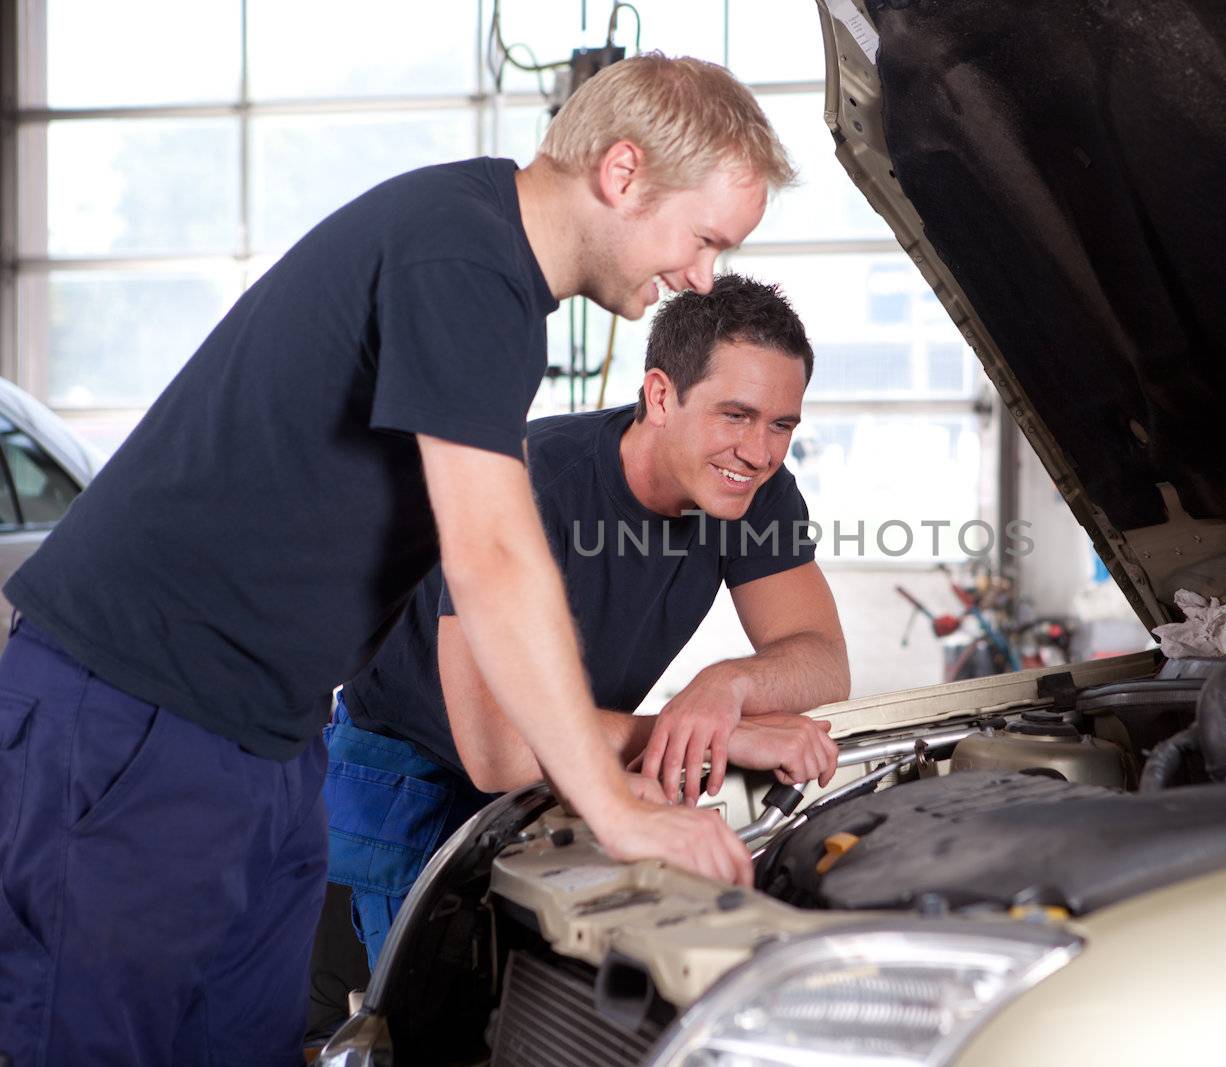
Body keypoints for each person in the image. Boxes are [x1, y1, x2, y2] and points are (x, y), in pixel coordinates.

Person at [0, 54, 792, 1067]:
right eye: (705, 239)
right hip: (135, 718)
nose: (699, 277)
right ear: (623, 172)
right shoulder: (459, 253)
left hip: (268, 734)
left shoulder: (496, 285)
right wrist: (612, 803)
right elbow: (494, 554)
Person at [323, 273, 848, 972]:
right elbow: (497, 751)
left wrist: (726, 686)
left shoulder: (755, 492)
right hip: (413, 778)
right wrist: (711, 734)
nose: (760, 450)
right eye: (736, 415)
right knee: (432, 1024)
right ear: (661, 395)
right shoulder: (536, 484)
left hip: (563, 769)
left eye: (782, 424)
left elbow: (822, 660)